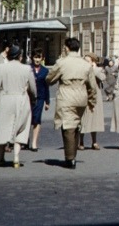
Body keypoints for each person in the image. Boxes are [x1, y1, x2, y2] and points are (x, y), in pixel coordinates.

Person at [46, 37, 97, 169]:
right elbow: (92, 85)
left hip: (67, 96)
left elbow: (50, 79)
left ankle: (70, 158)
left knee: (68, 127)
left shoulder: (62, 62)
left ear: (67, 48)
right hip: (81, 97)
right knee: (76, 125)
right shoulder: (86, 64)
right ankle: (73, 154)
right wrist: (92, 101)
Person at [0, 45, 36, 168]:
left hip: (6, 99)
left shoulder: (1, 68)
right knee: (20, 127)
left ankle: (1, 156)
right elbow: (33, 87)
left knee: (3, 127)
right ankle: (16, 157)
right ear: (20, 56)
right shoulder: (27, 69)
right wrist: (33, 98)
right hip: (21, 99)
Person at [79, 52, 106, 150]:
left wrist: (93, 69)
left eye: (87, 61)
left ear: (93, 61)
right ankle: (81, 141)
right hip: (84, 94)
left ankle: (94, 141)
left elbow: (103, 78)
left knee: (94, 119)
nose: (85, 63)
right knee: (82, 118)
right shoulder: (82, 70)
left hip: (95, 96)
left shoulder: (98, 70)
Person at [28, 49, 49, 152]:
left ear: (42, 58)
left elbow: (46, 87)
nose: (37, 59)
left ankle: (34, 143)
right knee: (27, 119)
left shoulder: (45, 71)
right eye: (35, 57)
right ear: (32, 58)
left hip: (40, 98)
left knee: (37, 119)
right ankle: (25, 140)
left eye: (39, 57)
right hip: (28, 97)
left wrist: (47, 101)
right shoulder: (28, 69)